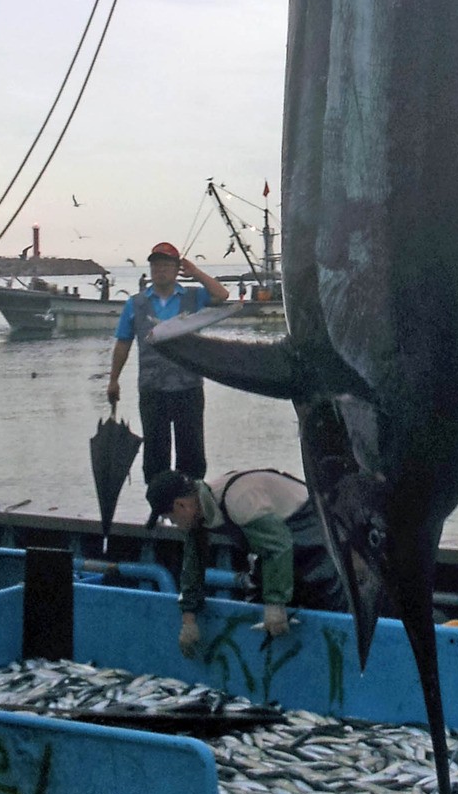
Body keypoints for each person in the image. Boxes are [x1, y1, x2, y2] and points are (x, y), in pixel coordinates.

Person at [145, 467, 346, 656]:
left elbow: (279, 546)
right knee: (257, 598)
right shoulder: (200, 510)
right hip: (278, 541)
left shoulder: (238, 500)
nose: (173, 524)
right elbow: (192, 567)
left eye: (170, 517)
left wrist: (275, 604)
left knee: (320, 591)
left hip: (315, 528)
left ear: (181, 505)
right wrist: (188, 621)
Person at [107, 242, 229, 482]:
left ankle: (192, 505)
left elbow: (222, 295)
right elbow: (123, 342)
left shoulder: (194, 297)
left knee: (192, 452)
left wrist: (196, 273)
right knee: (155, 452)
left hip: (189, 387)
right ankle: (160, 508)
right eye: (155, 265)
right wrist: (113, 380)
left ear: (176, 269)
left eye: (166, 265)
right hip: (153, 389)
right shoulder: (136, 303)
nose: (160, 270)